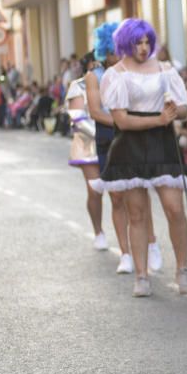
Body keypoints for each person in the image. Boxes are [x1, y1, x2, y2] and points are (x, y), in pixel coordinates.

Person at [89, 19, 187, 297]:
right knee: (136, 214)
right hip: (130, 145)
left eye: (147, 41)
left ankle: (182, 269)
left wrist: (176, 110)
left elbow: (184, 109)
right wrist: (160, 119)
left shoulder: (164, 69)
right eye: (137, 42)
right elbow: (121, 121)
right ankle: (141, 274)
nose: (143, 47)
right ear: (125, 44)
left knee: (175, 208)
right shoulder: (116, 74)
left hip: (163, 143)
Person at [86, 21, 164, 276]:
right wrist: (123, 121)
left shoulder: (135, 70)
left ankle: (151, 242)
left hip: (135, 137)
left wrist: (135, 123)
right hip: (109, 139)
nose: (116, 55)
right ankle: (126, 253)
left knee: (140, 193)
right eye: (111, 50)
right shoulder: (94, 76)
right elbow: (96, 111)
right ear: (104, 49)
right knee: (117, 198)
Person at [65, 53, 109, 250]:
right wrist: (102, 133)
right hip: (88, 144)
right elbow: (77, 118)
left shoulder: (114, 79)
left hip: (113, 141)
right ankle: (98, 231)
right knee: (95, 190)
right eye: (96, 62)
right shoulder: (78, 86)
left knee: (121, 191)